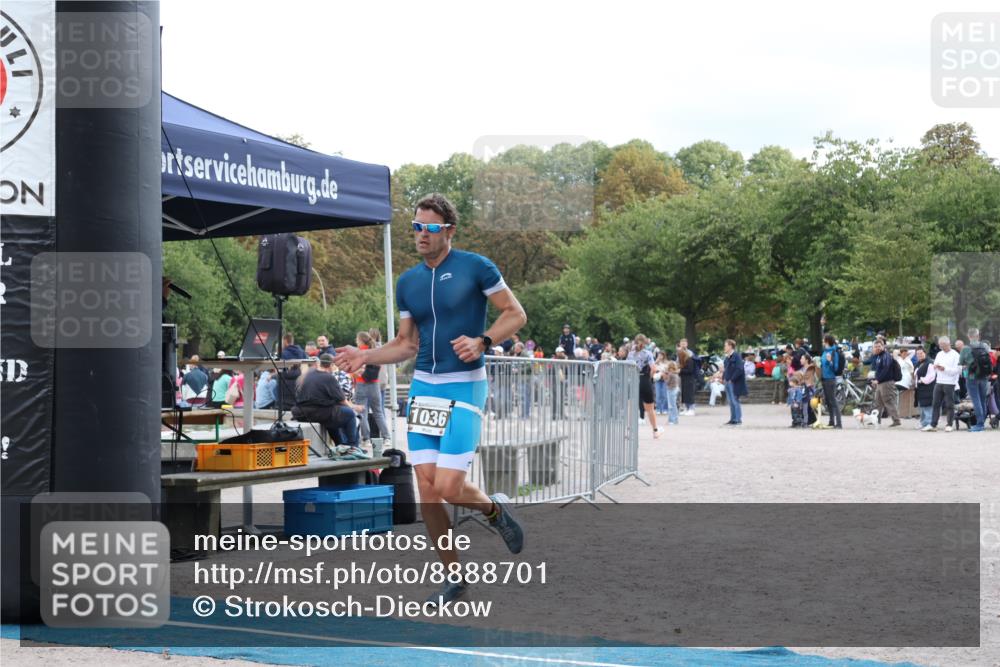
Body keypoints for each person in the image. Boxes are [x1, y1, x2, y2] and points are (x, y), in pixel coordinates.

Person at [334, 192, 527, 605]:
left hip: (464, 385)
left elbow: (515, 314)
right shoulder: (408, 282)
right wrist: (366, 355)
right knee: (427, 488)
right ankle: (455, 578)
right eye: (417, 227)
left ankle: (494, 511)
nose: (421, 234)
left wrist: (483, 340)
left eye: (430, 227)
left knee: (450, 486)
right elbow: (406, 344)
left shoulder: (476, 267)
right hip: (425, 387)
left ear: (449, 230)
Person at [292, 354, 361, 447]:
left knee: (332, 417)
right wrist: (354, 408)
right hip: (316, 412)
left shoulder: (306, 375)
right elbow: (341, 400)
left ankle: (340, 445)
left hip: (300, 413)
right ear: (331, 365)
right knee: (350, 414)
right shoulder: (328, 377)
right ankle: (353, 446)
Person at [353, 331, 390, 447]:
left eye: (357, 339)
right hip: (374, 384)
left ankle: (366, 439)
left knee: (362, 413)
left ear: (360, 340)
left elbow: (354, 369)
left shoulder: (358, 352)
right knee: (378, 412)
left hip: (361, 384)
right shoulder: (375, 352)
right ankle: (387, 437)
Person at [923, 336, 960, 432]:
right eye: (940, 345)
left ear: (948, 344)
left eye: (942, 345)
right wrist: (935, 367)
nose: (941, 347)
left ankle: (949, 424)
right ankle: (933, 424)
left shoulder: (955, 355)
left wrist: (945, 369)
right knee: (935, 403)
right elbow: (935, 365)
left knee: (949, 404)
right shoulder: (939, 354)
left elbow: (957, 370)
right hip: (939, 381)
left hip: (950, 382)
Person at [628, 334, 662, 438]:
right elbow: (654, 368)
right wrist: (650, 377)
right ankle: (655, 431)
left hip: (633, 380)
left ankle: (629, 431)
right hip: (644, 380)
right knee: (650, 408)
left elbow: (628, 367)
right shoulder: (648, 353)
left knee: (631, 407)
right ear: (645, 342)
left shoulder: (630, 354)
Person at [961, 327, 992, 433]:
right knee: (983, 400)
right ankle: (982, 422)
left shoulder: (966, 348)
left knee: (976, 400)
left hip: (971, 377)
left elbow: (961, 362)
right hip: (984, 376)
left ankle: (979, 424)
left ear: (968, 336)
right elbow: (990, 358)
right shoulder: (985, 346)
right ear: (978, 336)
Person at [866, 339, 901, 427]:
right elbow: (879, 371)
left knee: (888, 401)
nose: (877, 348)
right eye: (876, 347)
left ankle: (896, 420)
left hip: (887, 383)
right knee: (878, 402)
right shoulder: (879, 356)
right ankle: (876, 420)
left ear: (883, 346)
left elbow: (886, 369)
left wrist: (878, 380)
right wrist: (876, 379)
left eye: (879, 346)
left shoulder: (886, 356)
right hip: (881, 382)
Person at [820, 335, 843, 429]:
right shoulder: (824, 352)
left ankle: (839, 423)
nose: (822, 342)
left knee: (833, 400)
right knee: (828, 401)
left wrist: (830, 361)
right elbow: (823, 364)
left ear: (827, 341)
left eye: (823, 340)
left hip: (830, 379)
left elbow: (835, 368)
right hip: (824, 378)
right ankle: (831, 421)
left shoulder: (834, 352)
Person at [722, 339, 747, 425]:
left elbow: (739, 369)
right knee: (730, 401)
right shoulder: (727, 358)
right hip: (727, 382)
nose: (724, 347)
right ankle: (733, 419)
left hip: (734, 382)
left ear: (730, 346)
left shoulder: (737, 356)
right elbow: (726, 370)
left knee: (735, 400)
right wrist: (724, 378)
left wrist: (732, 379)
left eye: (725, 345)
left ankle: (737, 419)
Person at [913, 347, 936, 429]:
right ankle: (923, 423)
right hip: (919, 389)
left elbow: (932, 376)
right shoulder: (918, 363)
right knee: (921, 406)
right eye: (917, 354)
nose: (919, 355)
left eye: (921, 353)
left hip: (928, 388)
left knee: (927, 406)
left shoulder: (930, 363)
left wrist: (921, 380)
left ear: (925, 353)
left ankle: (929, 423)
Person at [678, 348, 696, 416]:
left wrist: (680, 371)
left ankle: (691, 409)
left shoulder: (689, 360)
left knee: (689, 394)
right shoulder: (683, 361)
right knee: (684, 394)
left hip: (689, 380)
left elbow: (690, 370)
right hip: (684, 379)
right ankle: (687, 408)